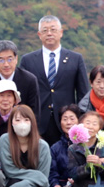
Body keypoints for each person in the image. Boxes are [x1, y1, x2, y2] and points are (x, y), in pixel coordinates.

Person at [20, 15, 89, 145]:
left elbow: (83, 93)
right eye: (45, 30)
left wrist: (81, 120)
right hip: (37, 121)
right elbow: (23, 93)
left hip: (67, 122)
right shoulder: (28, 60)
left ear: (61, 32)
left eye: (53, 29)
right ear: (39, 34)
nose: (49, 33)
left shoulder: (76, 58)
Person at [0, 105, 52, 187]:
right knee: (13, 183)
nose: (22, 124)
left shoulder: (42, 146)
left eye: (26, 120)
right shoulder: (5, 140)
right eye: (17, 120)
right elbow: (9, 170)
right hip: (12, 186)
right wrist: (26, 181)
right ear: (11, 123)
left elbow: (43, 178)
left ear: (32, 122)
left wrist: (23, 185)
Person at [49, 105, 82, 187]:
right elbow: (52, 172)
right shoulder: (55, 148)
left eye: (72, 119)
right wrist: (55, 185)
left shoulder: (86, 145)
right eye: (65, 119)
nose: (68, 123)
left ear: (79, 121)